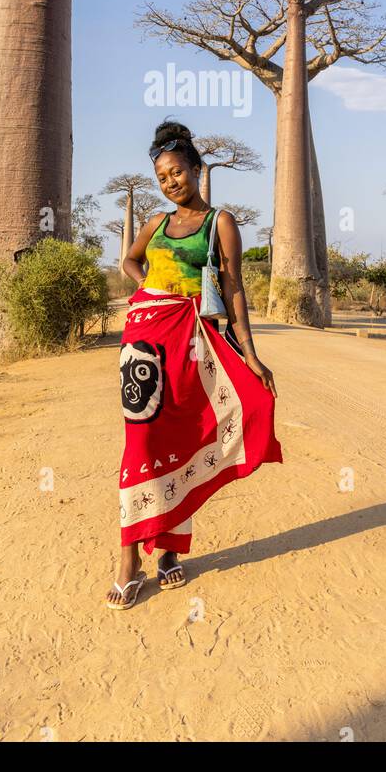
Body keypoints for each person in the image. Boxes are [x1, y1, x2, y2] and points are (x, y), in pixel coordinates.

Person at [106, 118, 282, 610]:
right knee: (140, 439)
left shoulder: (218, 222)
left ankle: (167, 551)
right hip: (144, 342)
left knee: (182, 438)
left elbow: (233, 286)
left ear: (196, 169)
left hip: (192, 342)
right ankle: (129, 561)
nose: (170, 183)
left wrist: (249, 353)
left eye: (177, 173)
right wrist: (148, 290)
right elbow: (130, 262)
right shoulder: (156, 224)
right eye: (162, 177)